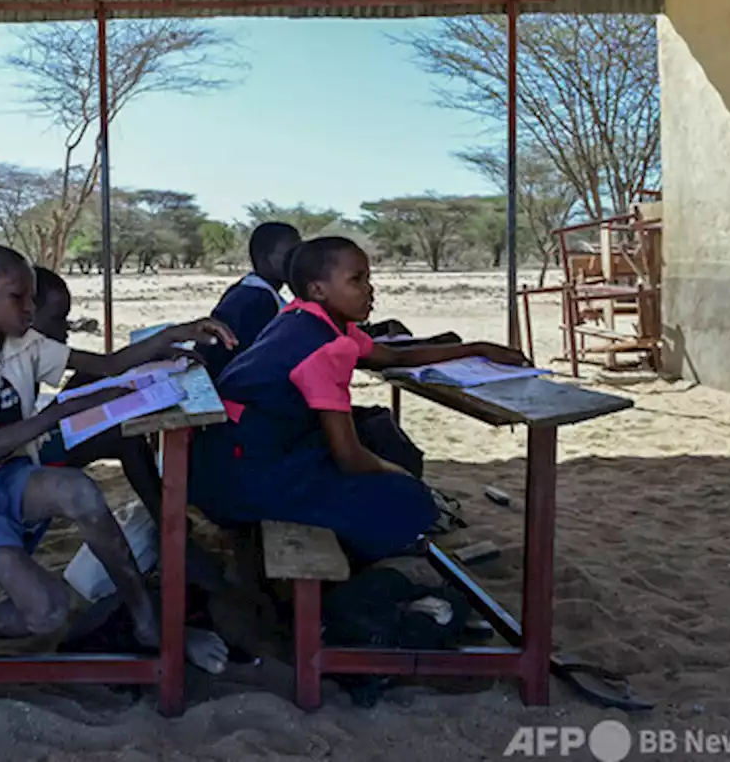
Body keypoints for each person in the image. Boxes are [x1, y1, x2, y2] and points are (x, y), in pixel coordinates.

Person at [0, 244, 234, 665]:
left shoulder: (22, 344)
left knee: (81, 492)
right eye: (18, 298)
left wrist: (170, 336)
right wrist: (60, 411)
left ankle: (144, 614)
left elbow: (106, 364)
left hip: (7, 479)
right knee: (48, 612)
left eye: (32, 298)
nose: (30, 309)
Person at [189, 237, 529, 564]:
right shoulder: (328, 349)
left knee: (376, 439)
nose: (370, 289)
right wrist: (399, 475)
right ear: (318, 289)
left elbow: (391, 357)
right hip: (242, 479)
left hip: (222, 457)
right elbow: (350, 457)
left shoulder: (304, 315)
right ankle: (354, 568)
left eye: (369, 278)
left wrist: (475, 348)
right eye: (357, 280)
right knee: (413, 503)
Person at [29, 266, 229, 593]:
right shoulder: (15, 352)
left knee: (104, 397)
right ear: (26, 312)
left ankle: (168, 526)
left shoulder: (33, 347)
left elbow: (105, 366)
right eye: (56, 318)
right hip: (23, 455)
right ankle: (170, 532)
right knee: (124, 437)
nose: (65, 328)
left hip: (35, 432)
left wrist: (155, 350)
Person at [198, 222, 301, 378]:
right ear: (264, 258)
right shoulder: (258, 301)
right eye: (290, 254)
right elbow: (256, 362)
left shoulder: (248, 289)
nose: (298, 261)